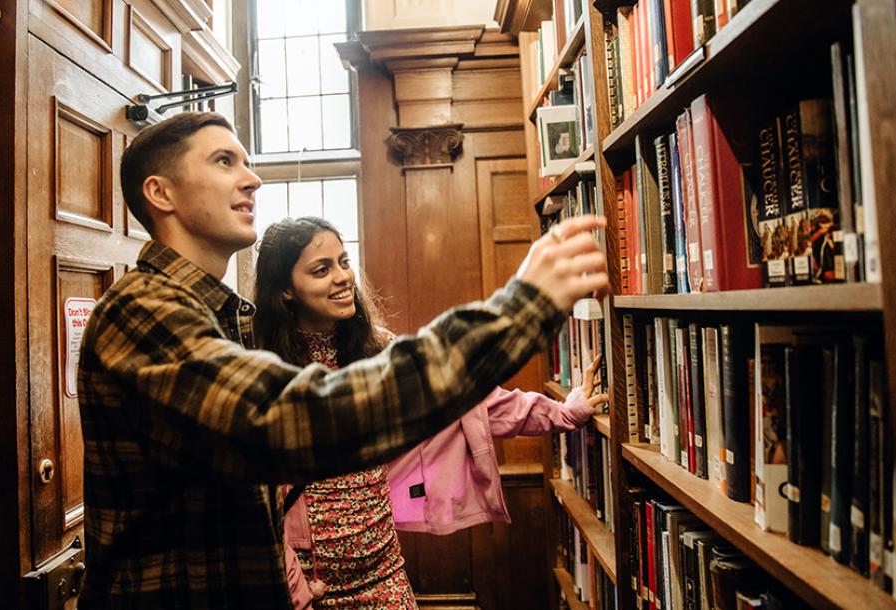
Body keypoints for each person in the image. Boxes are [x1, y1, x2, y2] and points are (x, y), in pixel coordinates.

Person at [76, 111, 609, 608]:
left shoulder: (217, 319)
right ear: (160, 192)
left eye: (245, 160)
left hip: (376, 573)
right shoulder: (142, 311)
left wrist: (560, 411)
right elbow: (290, 422)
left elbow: (470, 408)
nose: (253, 178)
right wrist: (513, 314)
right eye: (223, 161)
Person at [251, 217, 610, 609]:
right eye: (321, 270)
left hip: (384, 575)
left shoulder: (378, 352)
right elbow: (252, 499)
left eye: (344, 261)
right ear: (285, 289)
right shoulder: (264, 371)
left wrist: (563, 413)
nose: (342, 277)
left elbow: (474, 400)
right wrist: (293, 590)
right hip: (307, 590)